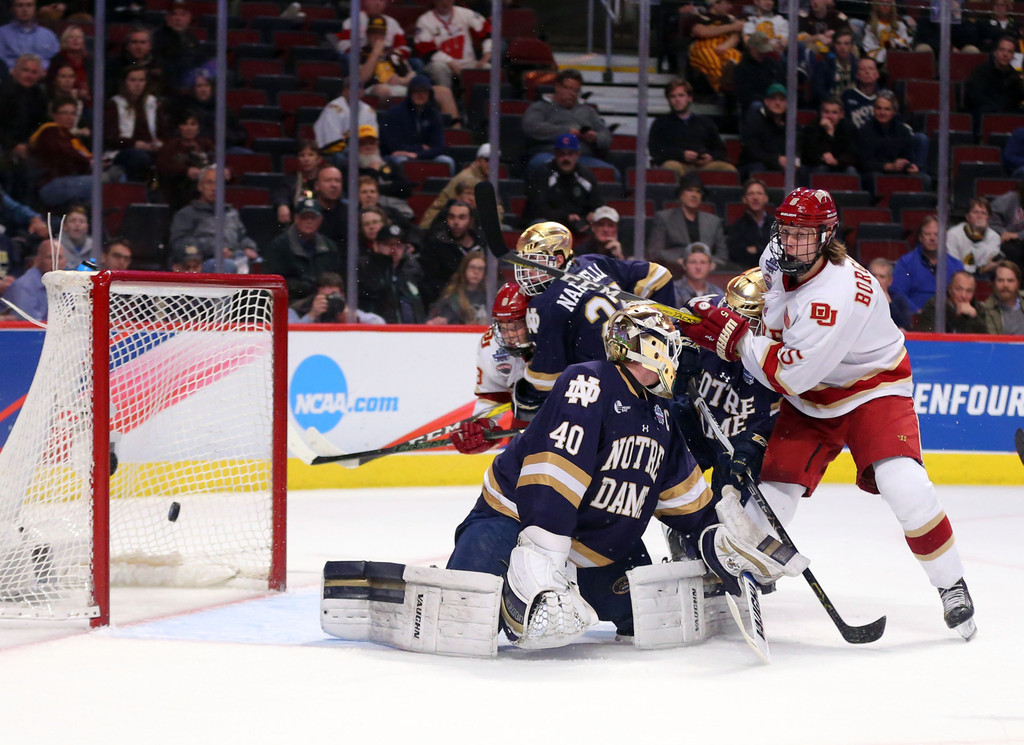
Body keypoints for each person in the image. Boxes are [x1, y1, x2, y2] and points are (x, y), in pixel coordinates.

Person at [680, 186, 977, 640]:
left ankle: (951, 584)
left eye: (803, 234)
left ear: (827, 236)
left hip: (870, 390)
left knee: (905, 485)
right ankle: (752, 572)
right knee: (775, 490)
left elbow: (788, 373)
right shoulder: (779, 255)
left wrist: (734, 338)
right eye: (786, 231)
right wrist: (723, 315)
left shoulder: (838, 295)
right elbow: (769, 319)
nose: (790, 242)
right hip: (812, 393)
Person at [446, 301, 807, 648]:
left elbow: (687, 502)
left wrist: (723, 535)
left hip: (595, 548)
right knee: (466, 616)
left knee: (647, 616)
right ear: (650, 347)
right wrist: (544, 558)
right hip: (516, 526)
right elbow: (553, 476)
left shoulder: (660, 413)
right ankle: (502, 578)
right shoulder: (588, 382)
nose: (676, 358)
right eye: (671, 347)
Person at [665, 269, 782, 559]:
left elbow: (768, 420)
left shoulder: (779, 354)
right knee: (672, 486)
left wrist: (751, 447)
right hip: (695, 422)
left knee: (727, 505)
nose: (729, 325)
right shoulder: (709, 310)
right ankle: (680, 534)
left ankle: (719, 559)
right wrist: (684, 347)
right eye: (729, 313)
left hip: (734, 439)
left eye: (745, 321)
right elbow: (680, 318)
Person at [508, 222, 676, 420]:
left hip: (604, 394)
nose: (527, 274)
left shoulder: (545, 305)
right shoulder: (592, 262)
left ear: (559, 260)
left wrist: (523, 394)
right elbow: (659, 276)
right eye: (525, 264)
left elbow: (545, 380)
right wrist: (662, 326)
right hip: (650, 371)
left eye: (534, 264)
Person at [521, 69, 616, 177]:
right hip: (550, 154)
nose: (572, 94)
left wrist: (594, 137)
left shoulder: (588, 111)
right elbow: (532, 127)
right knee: (541, 165)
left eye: (576, 90)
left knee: (613, 173)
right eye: (568, 88)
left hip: (582, 157)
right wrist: (568, 132)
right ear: (557, 87)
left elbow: (606, 136)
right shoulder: (540, 107)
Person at [169, 165, 259, 269]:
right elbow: (181, 241)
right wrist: (216, 250)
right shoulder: (187, 214)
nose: (214, 188)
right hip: (204, 262)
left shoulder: (231, 213)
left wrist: (249, 247)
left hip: (234, 258)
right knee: (226, 265)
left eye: (218, 183)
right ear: (200, 186)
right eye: (209, 182)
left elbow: (241, 237)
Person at [647, 78, 736, 178]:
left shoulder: (705, 122)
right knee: (671, 166)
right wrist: (681, 155)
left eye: (681, 95)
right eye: (673, 96)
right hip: (677, 164)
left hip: (703, 165)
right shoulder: (660, 123)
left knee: (728, 169)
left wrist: (710, 156)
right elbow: (656, 150)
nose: (677, 100)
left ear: (689, 98)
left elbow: (720, 150)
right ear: (668, 100)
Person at [262, 196, 344, 303]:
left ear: (320, 220)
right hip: (289, 303)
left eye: (313, 217)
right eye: (305, 217)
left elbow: (336, 279)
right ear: (296, 218)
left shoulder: (329, 246)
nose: (309, 221)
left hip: (325, 301)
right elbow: (272, 283)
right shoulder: (279, 245)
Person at [647, 172, 728, 276]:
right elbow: (655, 251)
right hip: (674, 270)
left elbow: (722, 255)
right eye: (689, 190)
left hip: (707, 273)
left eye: (698, 192)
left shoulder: (713, 221)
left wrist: (711, 263)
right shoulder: (664, 218)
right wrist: (681, 261)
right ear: (681, 194)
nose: (694, 195)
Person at [523, 132, 603, 234]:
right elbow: (537, 207)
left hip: (578, 224)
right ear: (555, 154)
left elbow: (598, 203)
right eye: (562, 154)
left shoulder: (586, 176)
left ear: (578, 154)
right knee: (540, 224)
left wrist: (592, 214)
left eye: (570, 154)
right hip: (551, 223)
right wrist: (566, 217)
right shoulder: (542, 173)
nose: (566, 159)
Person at [27, 94, 100, 206]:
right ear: (54, 115)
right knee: (97, 184)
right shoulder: (50, 131)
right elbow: (65, 153)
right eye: (64, 113)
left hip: (72, 180)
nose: (69, 117)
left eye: (73, 114)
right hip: (51, 184)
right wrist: (89, 162)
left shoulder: (72, 137)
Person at [378, 74, 455, 175]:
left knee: (447, 161)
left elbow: (439, 147)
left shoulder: (434, 114)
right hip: (399, 156)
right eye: (416, 91)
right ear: (410, 93)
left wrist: (416, 154)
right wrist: (421, 148)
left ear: (429, 94)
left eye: (423, 91)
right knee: (400, 160)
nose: (420, 95)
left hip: (421, 155)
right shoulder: (395, 112)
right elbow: (392, 146)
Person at [854, 90, 929, 193]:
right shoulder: (865, 130)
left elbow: (909, 155)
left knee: (925, 179)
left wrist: (910, 166)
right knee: (876, 178)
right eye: (878, 108)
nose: (882, 112)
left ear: (894, 112)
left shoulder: (903, 130)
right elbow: (863, 163)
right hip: (875, 172)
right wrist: (888, 166)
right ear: (874, 110)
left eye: (887, 109)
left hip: (899, 171)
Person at [891, 215, 966, 314]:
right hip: (915, 319)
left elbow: (964, 295)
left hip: (948, 320)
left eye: (936, 234)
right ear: (920, 237)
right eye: (927, 234)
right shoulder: (905, 263)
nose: (932, 238)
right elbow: (898, 294)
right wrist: (918, 312)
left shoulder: (956, 266)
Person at [418, 199, 485, 308]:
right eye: (451, 217)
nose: (456, 222)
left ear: (471, 221)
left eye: (462, 217)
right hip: (446, 302)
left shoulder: (482, 244)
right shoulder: (435, 243)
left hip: (479, 300)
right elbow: (430, 281)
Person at [357, 222, 428, 323]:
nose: (394, 249)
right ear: (376, 245)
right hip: (376, 333)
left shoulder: (412, 271)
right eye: (388, 244)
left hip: (411, 333)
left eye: (399, 245)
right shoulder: (364, 269)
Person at [414, 0, 492, 92]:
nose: (445, 2)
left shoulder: (466, 13)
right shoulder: (424, 20)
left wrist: (485, 57)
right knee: (439, 67)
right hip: (441, 64)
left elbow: (488, 33)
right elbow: (427, 50)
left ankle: (480, 103)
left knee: (488, 68)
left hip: (467, 63)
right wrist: (450, 62)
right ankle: (446, 99)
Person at [103, 66, 164, 183]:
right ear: (125, 82)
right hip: (122, 152)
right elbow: (111, 139)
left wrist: (159, 143)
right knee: (139, 157)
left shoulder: (152, 102)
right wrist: (134, 143)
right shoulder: (115, 104)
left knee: (177, 156)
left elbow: (163, 133)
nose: (138, 84)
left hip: (152, 149)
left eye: (141, 80)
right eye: (133, 80)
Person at [418, 142, 500, 229]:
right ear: (478, 161)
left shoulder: (484, 177)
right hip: (438, 225)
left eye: (495, 161)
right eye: (487, 160)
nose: (491, 164)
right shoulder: (467, 179)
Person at [154, 109, 214, 210]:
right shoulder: (172, 146)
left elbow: (216, 161)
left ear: (198, 127)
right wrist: (186, 171)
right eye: (185, 124)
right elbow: (164, 165)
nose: (188, 128)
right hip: (179, 187)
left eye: (192, 124)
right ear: (179, 127)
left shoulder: (206, 144)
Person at [964, 35, 1024, 134]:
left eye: (1009, 52)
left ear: (1013, 56)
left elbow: (1018, 97)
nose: (1005, 54)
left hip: (1007, 113)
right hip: (986, 112)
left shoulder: (1015, 76)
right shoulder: (981, 71)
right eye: (1002, 50)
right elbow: (975, 96)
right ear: (995, 52)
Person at [313, 76, 379, 163]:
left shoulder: (369, 111)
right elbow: (333, 143)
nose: (356, 91)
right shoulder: (333, 108)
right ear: (344, 91)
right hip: (336, 151)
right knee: (341, 158)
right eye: (352, 87)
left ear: (363, 92)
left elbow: (373, 139)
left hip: (361, 150)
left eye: (360, 88)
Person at [151, 0, 209, 97]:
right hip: (169, 82)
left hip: (190, 81)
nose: (178, 18)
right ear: (167, 18)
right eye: (174, 15)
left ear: (189, 18)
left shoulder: (191, 38)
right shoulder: (159, 36)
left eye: (183, 15)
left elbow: (201, 58)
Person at [687, 0, 744, 93]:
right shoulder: (700, 16)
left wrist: (724, 46)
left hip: (725, 46)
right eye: (727, 3)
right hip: (703, 46)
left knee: (736, 57)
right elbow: (702, 32)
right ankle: (721, 89)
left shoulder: (731, 19)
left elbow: (735, 38)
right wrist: (733, 27)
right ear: (715, 3)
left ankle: (732, 89)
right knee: (712, 60)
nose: (730, 7)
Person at [288, 271, 386, 325]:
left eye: (333, 295)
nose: (329, 300)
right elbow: (289, 335)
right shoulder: (298, 309)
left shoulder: (343, 308)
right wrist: (311, 315)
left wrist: (353, 317)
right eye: (325, 296)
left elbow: (379, 323)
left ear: (342, 295)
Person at [2, 239, 63, 321]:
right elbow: (32, 326)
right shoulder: (24, 286)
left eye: (59, 258)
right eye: (50, 257)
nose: (55, 262)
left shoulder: (66, 283)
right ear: (38, 260)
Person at [738, 83, 789, 178]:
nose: (778, 103)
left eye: (782, 100)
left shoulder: (791, 123)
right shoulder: (755, 120)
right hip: (756, 163)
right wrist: (776, 160)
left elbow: (798, 147)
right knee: (758, 168)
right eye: (773, 99)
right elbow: (753, 152)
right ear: (766, 101)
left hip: (782, 164)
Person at [334, 0, 411, 63]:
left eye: (381, 1)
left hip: (387, 59)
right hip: (361, 59)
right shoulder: (353, 21)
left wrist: (390, 54)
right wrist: (367, 54)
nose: (377, 3)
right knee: (349, 58)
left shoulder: (392, 23)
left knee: (414, 62)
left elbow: (403, 47)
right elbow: (343, 45)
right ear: (364, 1)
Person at [800, 95, 858, 176]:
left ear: (842, 114)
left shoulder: (849, 128)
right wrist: (829, 134)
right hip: (817, 166)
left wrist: (836, 161)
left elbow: (852, 155)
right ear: (821, 113)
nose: (830, 116)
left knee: (851, 170)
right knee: (821, 169)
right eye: (826, 112)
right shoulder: (812, 127)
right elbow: (810, 155)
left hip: (840, 165)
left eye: (834, 112)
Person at [426, 250, 488, 325]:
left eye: (480, 269)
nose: (476, 272)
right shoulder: (451, 297)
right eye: (472, 267)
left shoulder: (488, 296)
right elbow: (431, 322)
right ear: (464, 270)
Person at [732, 30, 787, 116]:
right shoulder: (742, 68)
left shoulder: (773, 64)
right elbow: (745, 95)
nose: (763, 53)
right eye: (760, 51)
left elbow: (783, 83)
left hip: (776, 100)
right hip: (756, 105)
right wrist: (767, 100)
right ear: (751, 48)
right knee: (757, 106)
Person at [946, 197, 1004, 279]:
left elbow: (986, 264)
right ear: (967, 217)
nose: (979, 216)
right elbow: (953, 265)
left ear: (988, 218)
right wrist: (978, 269)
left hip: (983, 278)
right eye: (975, 212)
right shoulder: (952, 234)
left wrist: (977, 236)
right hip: (957, 277)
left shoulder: (994, 237)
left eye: (983, 213)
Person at [916, 270, 988, 333]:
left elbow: (985, 342)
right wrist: (956, 316)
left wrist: (974, 318)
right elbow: (929, 337)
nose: (963, 295)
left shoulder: (978, 309)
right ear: (950, 290)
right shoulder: (935, 306)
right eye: (959, 289)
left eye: (969, 291)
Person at [272, 139, 323, 225]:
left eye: (311, 155)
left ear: (319, 159)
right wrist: (282, 205)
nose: (306, 159)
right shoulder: (291, 180)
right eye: (302, 155)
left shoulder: (325, 179)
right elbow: (280, 194)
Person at [727, 178, 773, 270]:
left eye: (759, 193)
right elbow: (736, 255)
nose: (755, 197)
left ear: (766, 198)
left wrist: (756, 250)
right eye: (751, 194)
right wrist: (764, 250)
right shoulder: (737, 226)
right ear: (744, 199)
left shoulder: (776, 225)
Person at [0, 0, 58, 71]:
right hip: (10, 77)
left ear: (35, 8)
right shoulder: (2, 34)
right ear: (13, 9)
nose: (24, 9)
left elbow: (55, 61)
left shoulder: (48, 35)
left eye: (29, 5)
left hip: (43, 77)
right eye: (20, 5)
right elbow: (2, 61)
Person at [810, 27, 858, 107]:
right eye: (838, 43)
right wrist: (835, 101)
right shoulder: (824, 63)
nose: (842, 47)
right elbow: (819, 90)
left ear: (852, 45)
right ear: (833, 45)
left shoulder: (856, 64)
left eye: (846, 44)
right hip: (829, 105)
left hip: (851, 104)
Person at [46, 24, 90, 107]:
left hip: (87, 103)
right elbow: (50, 85)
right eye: (71, 37)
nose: (75, 40)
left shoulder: (89, 61)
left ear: (83, 41)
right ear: (65, 40)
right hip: (61, 102)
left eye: (79, 37)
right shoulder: (57, 60)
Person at [840, 56, 889, 130]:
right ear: (857, 75)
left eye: (871, 69)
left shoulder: (886, 97)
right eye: (863, 69)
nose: (867, 72)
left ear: (877, 74)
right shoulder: (847, 95)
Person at [987, 177, 1024, 273]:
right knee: (1012, 252)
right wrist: (1003, 232)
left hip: (1019, 239)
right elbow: (990, 221)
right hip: (1007, 242)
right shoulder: (1008, 199)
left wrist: (1018, 235)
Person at [979, 260, 1024, 334]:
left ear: (1018, 283)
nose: (1005, 285)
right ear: (994, 283)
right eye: (1000, 280)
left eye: (1010, 281)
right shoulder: (985, 310)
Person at [861, 0, 912, 65]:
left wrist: (891, 43)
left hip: (901, 59)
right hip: (881, 64)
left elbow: (906, 42)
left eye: (888, 2)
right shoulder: (870, 27)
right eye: (882, 2)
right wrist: (887, 51)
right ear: (876, 5)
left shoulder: (900, 25)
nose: (885, 5)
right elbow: (869, 48)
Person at [868, 256, 913, 330]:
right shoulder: (856, 295)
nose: (876, 280)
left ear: (890, 281)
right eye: (873, 275)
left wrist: (889, 303)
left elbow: (904, 326)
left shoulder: (899, 300)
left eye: (882, 277)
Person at [312, 165, 347, 249]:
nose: (334, 185)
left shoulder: (349, 213)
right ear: (317, 185)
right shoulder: (309, 212)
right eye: (328, 180)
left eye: (337, 181)